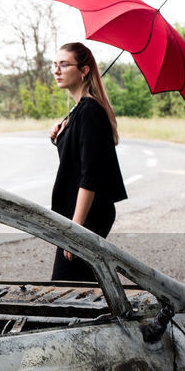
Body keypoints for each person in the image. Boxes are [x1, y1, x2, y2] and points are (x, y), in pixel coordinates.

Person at [47, 42, 126, 282]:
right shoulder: (80, 111)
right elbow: (76, 158)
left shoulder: (90, 110)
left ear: (84, 70)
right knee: (83, 286)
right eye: (54, 65)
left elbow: (89, 176)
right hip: (80, 215)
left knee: (66, 289)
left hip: (88, 216)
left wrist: (76, 232)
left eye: (64, 64)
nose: (56, 70)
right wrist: (61, 133)